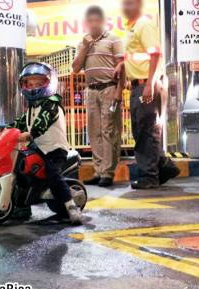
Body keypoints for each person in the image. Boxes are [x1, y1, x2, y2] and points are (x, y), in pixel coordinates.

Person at [1, 62, 83, 225]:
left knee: (53, 175)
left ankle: (71, 207)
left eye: (38, 83)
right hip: (38, 147)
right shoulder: (33, 107)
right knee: (21, 167)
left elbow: (41, 124)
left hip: (54, 149)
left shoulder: (51, 104)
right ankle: (22, 207)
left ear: (48, 83)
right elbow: (21, 121)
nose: (33, 87)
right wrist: (4, 131)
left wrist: (28, 135)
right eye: (29, 84)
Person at [115, 0, 180, 189]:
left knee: (146, 131)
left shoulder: (144, 24)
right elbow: (136, 56)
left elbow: (155, 54)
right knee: (141, 130)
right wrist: (122, 65)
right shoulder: (131, 29)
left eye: (130, 3)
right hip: (138, 85)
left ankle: (149, 177)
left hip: (146, 84)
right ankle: (164, 167)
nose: (126, 8)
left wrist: (149, 84)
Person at [72, 5, 124, 187]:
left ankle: (108, 173)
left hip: (109, 88)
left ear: (102, 21)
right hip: (91, 91)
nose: (93, 24)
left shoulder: (113, 39)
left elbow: (122, 65)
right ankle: (99, 170)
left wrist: (119, 91)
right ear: (86, 23)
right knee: (94, 131)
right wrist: (85, 47)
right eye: (90, 21)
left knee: (109, 130)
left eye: (97, 20)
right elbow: (76, 67)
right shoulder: (83, 42)